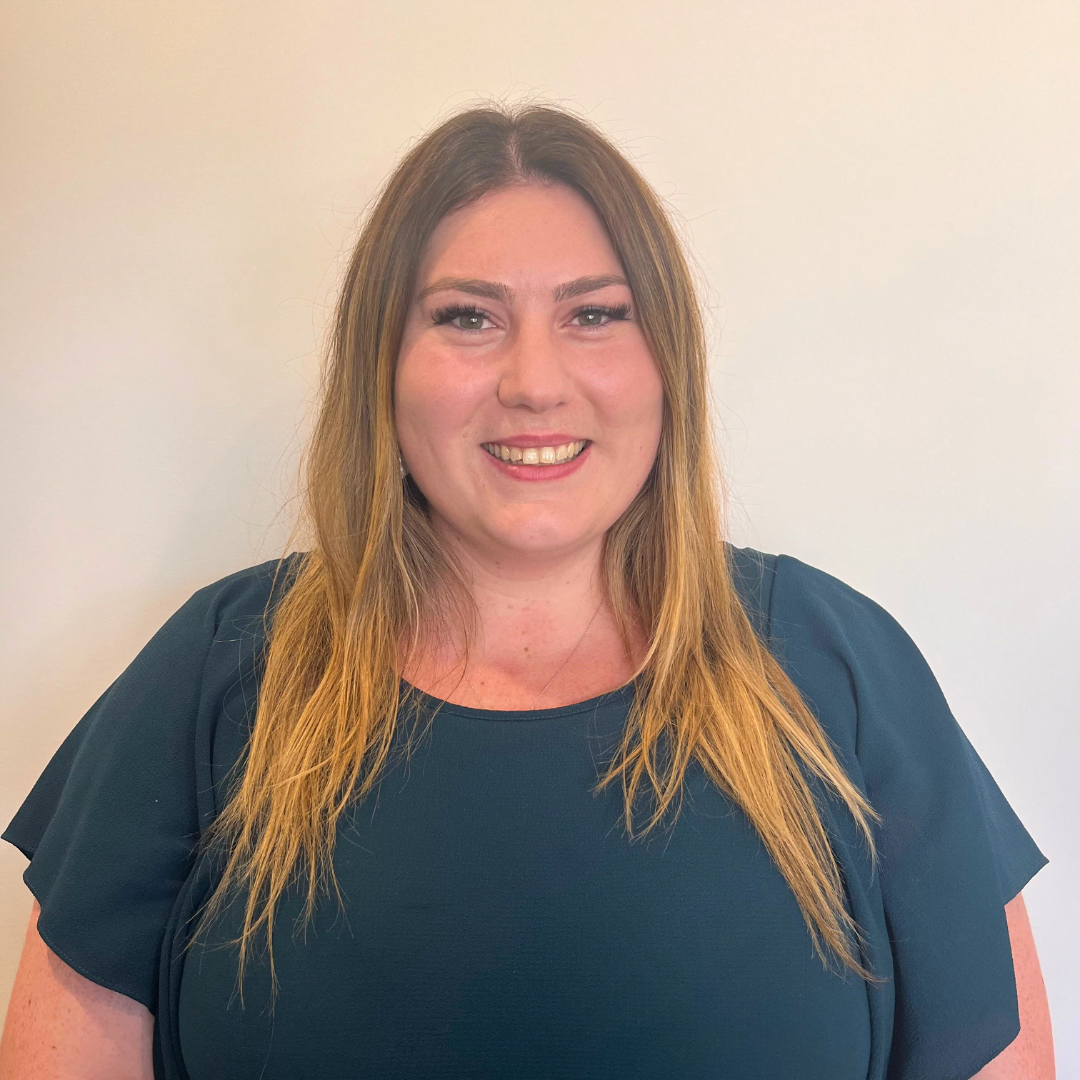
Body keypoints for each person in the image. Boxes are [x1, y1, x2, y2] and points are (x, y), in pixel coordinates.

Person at [0, 103, 1053, 1080]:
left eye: (595, 315)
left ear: (666, 363)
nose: (535, 381)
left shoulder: (840, 672)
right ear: (384, 364)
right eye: (468, 317)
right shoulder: (221, 671)